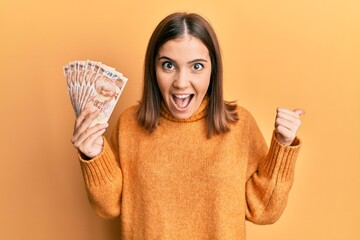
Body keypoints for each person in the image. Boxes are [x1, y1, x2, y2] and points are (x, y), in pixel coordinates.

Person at [71, 12, 304, 239]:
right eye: (168, 65)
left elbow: (264, 210)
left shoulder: (239, 126)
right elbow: (108, 206)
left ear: (213, 70)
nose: (181, 83)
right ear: (153, 69)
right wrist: (94, 156)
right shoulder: (129, 125)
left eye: (197, 66)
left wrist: (282, 147)